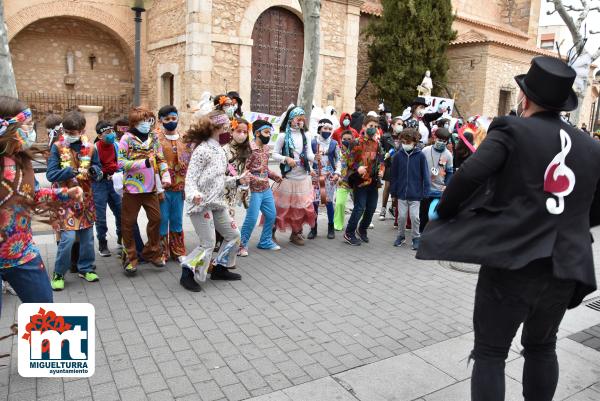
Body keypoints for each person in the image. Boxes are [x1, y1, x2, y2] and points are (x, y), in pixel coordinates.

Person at [417, 56, 600, 401]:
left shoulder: (512, 129)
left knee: (490, 352)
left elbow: (470, 174)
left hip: (514, 262)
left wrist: (444, 210)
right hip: (565, 264)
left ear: (525, 98)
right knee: (543, 345)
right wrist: (567, 223)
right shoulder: (592, 147)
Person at [0, 97, 83, 314]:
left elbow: (34, 194)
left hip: (22, 253)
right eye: (27, 126)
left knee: (44, 313)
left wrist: (66, 193)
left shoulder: (21, 160)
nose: (31, 131)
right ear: (6, 126)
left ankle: (45, 347)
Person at [180, 111, 246, 292]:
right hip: (201, 205)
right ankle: (187, 272)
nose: (228, 129)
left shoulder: (220, 149)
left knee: (233, 236)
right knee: (208, 243)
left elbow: (219, 178)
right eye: (225, 126)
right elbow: (191, 178)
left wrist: (238, 180)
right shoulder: (202, 150)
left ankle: (220, 268)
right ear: (216, 127)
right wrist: (194, 194)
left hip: (217, 203)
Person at [47, 110, 103, 290]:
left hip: (85, 199)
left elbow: (98, 170)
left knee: (87, 238)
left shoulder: (91, 148)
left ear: (82, 130)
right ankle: (58, 272)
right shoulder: (57, 147)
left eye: (73, 133)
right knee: (68, 238)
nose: (69, 136)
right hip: (64, 199)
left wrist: (95, 171)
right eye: (67, 132)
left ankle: (86, 268)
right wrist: (68, 171)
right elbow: (50, 174)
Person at [118, 107, 171, 275]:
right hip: (132, 189)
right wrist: (143, 163)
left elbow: (160, 158)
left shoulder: (154, 137)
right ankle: (131, 258)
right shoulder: (126, 138)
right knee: (128, 223)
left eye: (149, 120)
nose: (146, 124)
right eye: (143, 121)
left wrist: (166, 175)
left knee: (156, 219)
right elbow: (120, 163)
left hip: (151, 188)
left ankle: (152, 252)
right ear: (134, 123)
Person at [271, 106, 316, 245]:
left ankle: (296, 233)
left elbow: (308, 154)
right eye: (298, 118)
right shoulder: (283, 136)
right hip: (288, 179)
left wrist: (315, 159)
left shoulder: (306, 135)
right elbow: (274, 154)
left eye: (303, 119)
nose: (301, 121)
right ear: (291, 119)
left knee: (300, 208)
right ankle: (270, 233)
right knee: (281, 207)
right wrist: (286, 159)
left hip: (302, 178)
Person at [239, 120, 282, 256]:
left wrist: (274, 176)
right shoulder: (249, 149)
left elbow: (265, 169)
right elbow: (244, 171)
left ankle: (265, 241)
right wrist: (257, 179)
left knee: (271, 215)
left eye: (270, 132)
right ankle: (241, 245)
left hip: (266, 189)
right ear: (257, 133)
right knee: (251, 219)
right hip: (253, 190)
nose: (268, 135)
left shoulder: (266, 149)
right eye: (266, 132)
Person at [343, 115, 384, 246]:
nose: (373, 129)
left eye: (376, 127)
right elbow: (348, 161)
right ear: (364, 127)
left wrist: (381, 169)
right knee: (359, 208)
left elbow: (381, 159)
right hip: (360, 181)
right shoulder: (355, 142)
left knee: (371, 208)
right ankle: (349, 233)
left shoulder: (377, 144)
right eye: (371, 126)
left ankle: (362, 229)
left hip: (373, 181)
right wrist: (357, 167)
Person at [157, 105, 190, 262]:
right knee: (163, 220)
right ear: (161, 121)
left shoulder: (185, 139)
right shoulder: (156, 140)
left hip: (180, 188)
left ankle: (178, 250)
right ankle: (162, 252)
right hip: (163, 189)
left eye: (173, 118)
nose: (171, 121)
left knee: (177, 220)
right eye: (167, 119)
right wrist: (158, 188)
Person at [390, 128, 429, 250]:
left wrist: (425, 190)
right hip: (401, 193)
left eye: (408, 142)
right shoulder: (397, 156)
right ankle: (400, 236)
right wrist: (393, 191)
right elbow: (394, 176)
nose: (405, 144)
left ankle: (416, 238)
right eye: (404, 142)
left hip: (416, 194)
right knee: (401, 217)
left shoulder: (421, 156)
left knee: (415, 217)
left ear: (414, 142)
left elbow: (425, 174)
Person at [93, 121, 122, 257]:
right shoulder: (94, 149)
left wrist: (117, 174)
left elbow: (121, 163)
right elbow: (93, 169)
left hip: (114, 182)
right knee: (100, 216)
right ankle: (102, 243)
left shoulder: (116, 145)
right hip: (99, 184)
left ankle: (121, 239)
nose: (111, 134)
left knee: (120, 211)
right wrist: (104, 173)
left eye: (112, 131)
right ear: (100, 136)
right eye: (107, 133)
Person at [308, 119, 341, 240]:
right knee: (315, 202)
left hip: (329, 177)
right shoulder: (312, 143)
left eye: (330, 129)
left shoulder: (334, 144)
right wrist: (310, 169)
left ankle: (331, 227)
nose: (327, 131)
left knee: (328, 202)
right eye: (325, 128)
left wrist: (337, 173)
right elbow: (307, 158)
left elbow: (339, 160)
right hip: (316, 176)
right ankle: (313, 228)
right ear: (319, 129)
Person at [419, 127, 453, 233]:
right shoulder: (425, 151)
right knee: (423, 212)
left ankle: (432, 232)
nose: (441, 142)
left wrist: (446, 185)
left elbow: (450, 172)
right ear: (434, 138)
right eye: (439, 139)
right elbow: (419, 167)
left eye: (444, 141)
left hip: (438, 190)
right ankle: (421, 232)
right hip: (425, 188)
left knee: (433, 214)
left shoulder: (448, 154)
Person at [223, 118, 252, 213]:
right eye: (239, 131)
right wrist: (237, 180)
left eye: (245, 132)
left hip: (232, 196)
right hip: (220, 196)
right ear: (231, 131)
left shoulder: (245, 151)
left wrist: (244, 186)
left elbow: (242, 173)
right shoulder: (224, 150)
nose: (242, 135)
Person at [379, 117, 403, 221]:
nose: (400, 126)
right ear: (392, 125)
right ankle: (383, 209)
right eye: (398, 124)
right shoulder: (385, 136)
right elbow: (381, 150)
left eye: (402, 124)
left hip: (400, 165)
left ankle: (393, 208)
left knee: (396, 187)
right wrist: (386, 155)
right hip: (389, 164)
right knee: (388, 186)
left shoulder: (403, 137)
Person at [333, 130, 355, 232]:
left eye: (349, 139)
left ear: (353, 140)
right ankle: (338, 223)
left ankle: (365, 221)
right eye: (344, 139)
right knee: (340, 203)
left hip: (355, 182)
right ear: (340, 140)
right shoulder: (337, 151)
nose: (346, 141)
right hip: (342, 182)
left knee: (360, 204)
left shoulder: (357, 151)